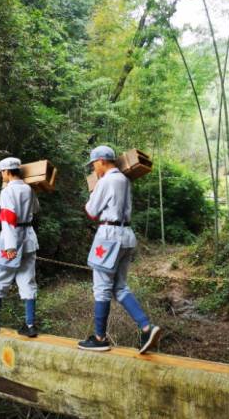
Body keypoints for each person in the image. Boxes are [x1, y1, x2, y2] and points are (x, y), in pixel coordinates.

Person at [78, 145, 161, 354]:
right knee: (120, 287)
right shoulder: (124, 179)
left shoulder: (105, 181)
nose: (93, 168)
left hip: (108, 237)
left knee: (102, 288)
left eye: (94, 164)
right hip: (126, 236)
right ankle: (146, 326)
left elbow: (92, 211)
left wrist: (93, 191)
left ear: (102, 161)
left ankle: (99, 338)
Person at [0, 157, 40, 337]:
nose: (1, 176)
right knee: (27, 280)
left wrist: (10, 247)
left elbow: (8, 220)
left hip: (10, 238)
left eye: (1, 173)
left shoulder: (7, 192)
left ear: (6, 172)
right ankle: (29, 325)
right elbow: (35, 209)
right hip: (28, 239)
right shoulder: (28, 188)